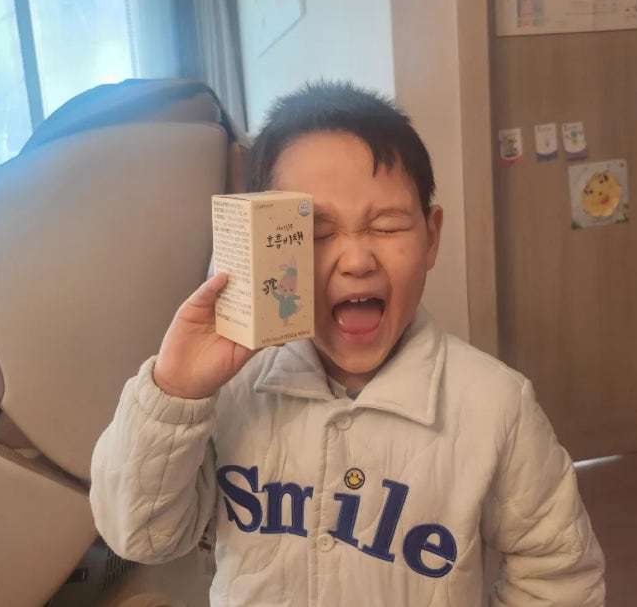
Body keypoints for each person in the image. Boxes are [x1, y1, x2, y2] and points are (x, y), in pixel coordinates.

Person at [90, 80, 605, 606]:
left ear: (431, 238)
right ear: (262, 242)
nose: (357, 260)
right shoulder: (228, 390)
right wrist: (176, 392)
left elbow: (559, 574)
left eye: (388, 226)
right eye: (314, 233)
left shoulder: (496, 406)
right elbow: (142, 535)